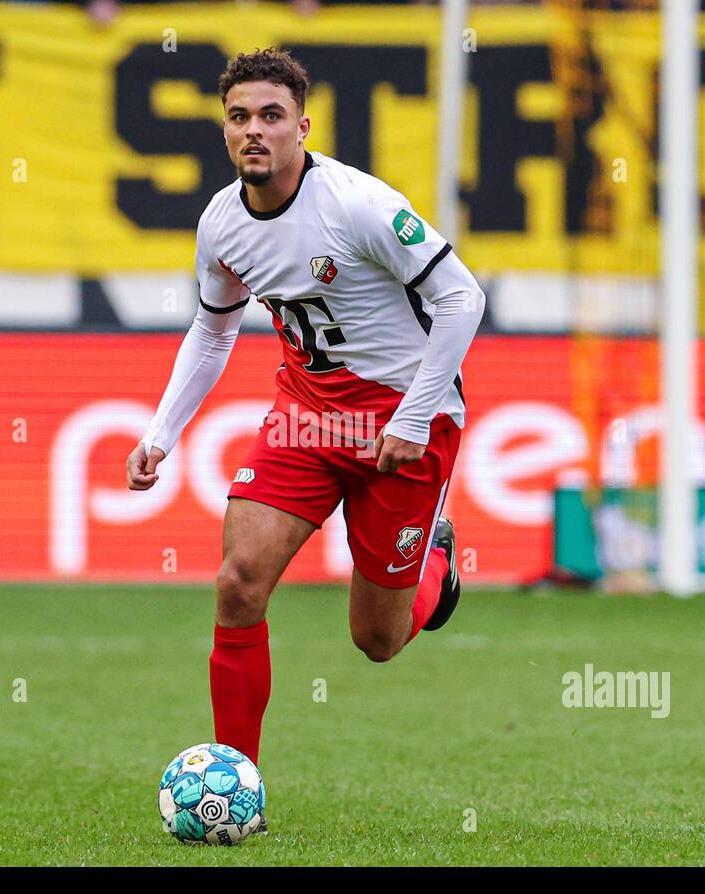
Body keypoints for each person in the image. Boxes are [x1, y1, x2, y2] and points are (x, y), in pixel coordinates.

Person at [125, 49, 485, 790]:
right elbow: (212, 328)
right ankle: (238, 787)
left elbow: (462, 299)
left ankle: (437, 566)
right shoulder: (222, 223)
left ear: (302, 126)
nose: (253, 130)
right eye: (238, 117)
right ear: (224, 130)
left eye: (270, 116)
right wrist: (160, 433)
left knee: (376, 640)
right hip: (307, 417)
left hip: (402, 422)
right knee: (237, 583)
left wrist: (414, 420)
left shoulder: (358, 206)